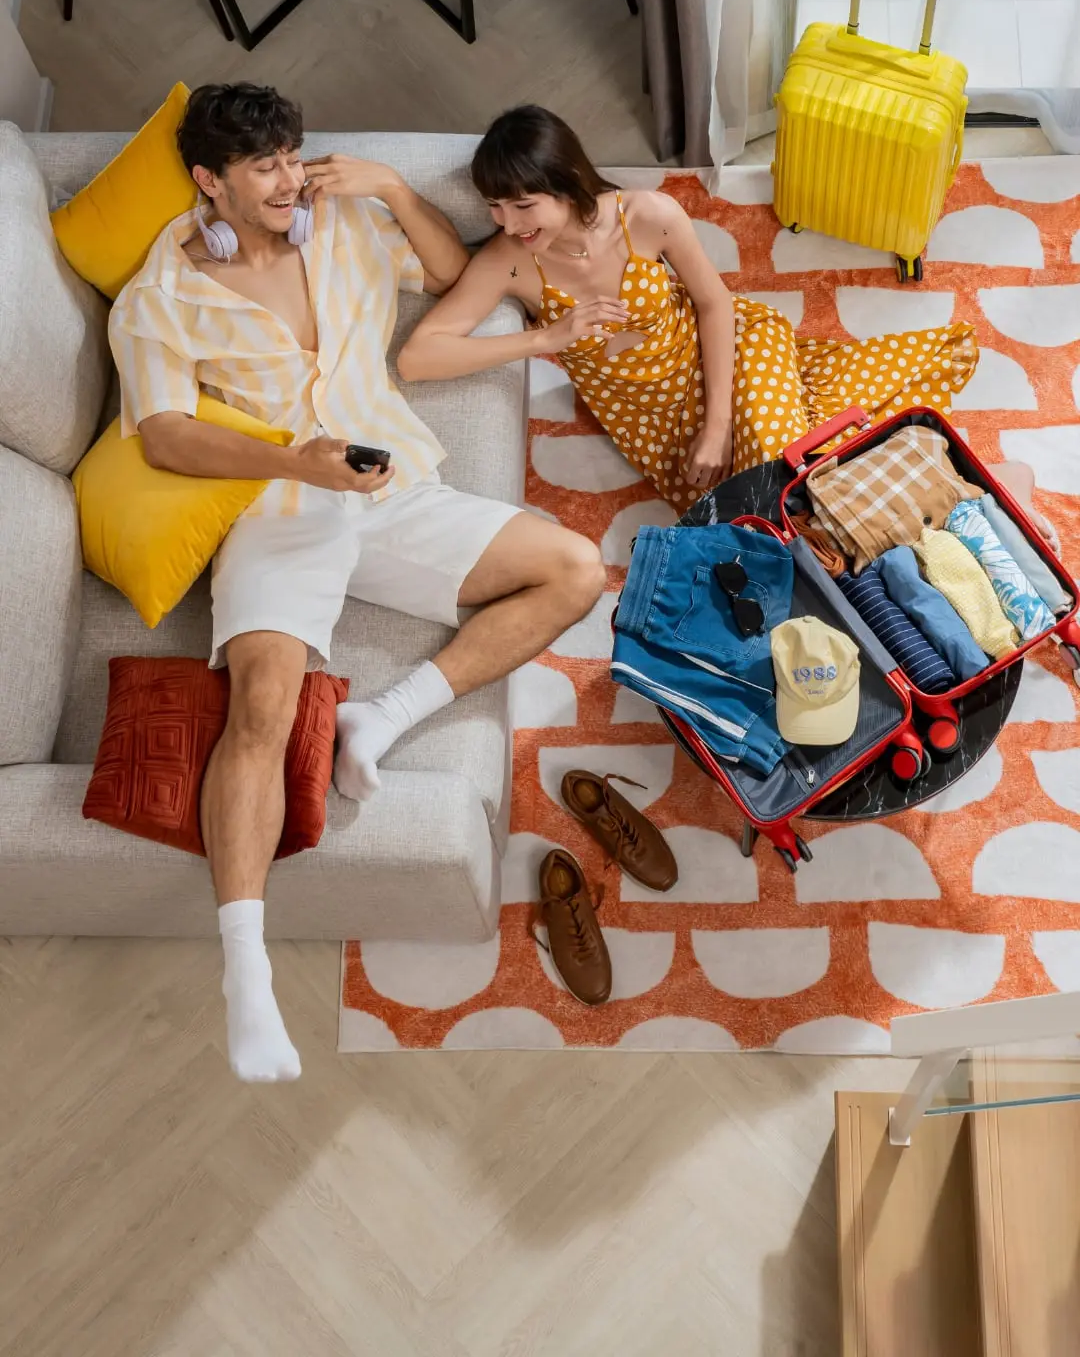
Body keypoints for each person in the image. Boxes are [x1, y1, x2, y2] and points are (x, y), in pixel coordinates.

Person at [108, 85, 605, 1084]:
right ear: (210, 181)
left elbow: (447, 270)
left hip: (392, 483)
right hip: (278, 505)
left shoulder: (341, 218)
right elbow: (162, 435)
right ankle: (243, 971)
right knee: (259, 708)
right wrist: (298, 466)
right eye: (264, 167)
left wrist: (384, 183)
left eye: (294, 156)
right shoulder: (159, 295)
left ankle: (381, 717)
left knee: (577, 568)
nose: (289, 179)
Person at [397, 105, 981, 510]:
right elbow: (418, 359)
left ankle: (957, 503)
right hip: (656, 423)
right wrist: (542, 341)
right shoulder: (509, 261)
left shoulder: (648, 216)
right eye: (495, 206)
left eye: (523, 205)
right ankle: (944, 498)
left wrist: (719, 426)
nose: (506, 223)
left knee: (788, 467)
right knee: (764, 506)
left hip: (731, 354)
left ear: (568, 184)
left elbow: (713, 304)